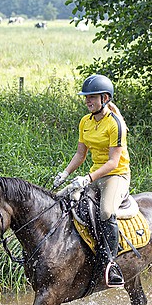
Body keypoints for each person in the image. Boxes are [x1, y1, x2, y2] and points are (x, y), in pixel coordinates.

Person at [53, 74, 131, 288]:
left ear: (105, 98)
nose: (87, 101)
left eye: (92, 97)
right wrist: (66, 174)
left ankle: (111, 264)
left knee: (106, 211)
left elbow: (114, 162)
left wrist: (87, 178)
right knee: (62, 200)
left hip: (115, 176)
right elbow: (80, 155)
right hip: (94, 174)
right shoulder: (85, 122)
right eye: (86, 97)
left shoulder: (115, 124)